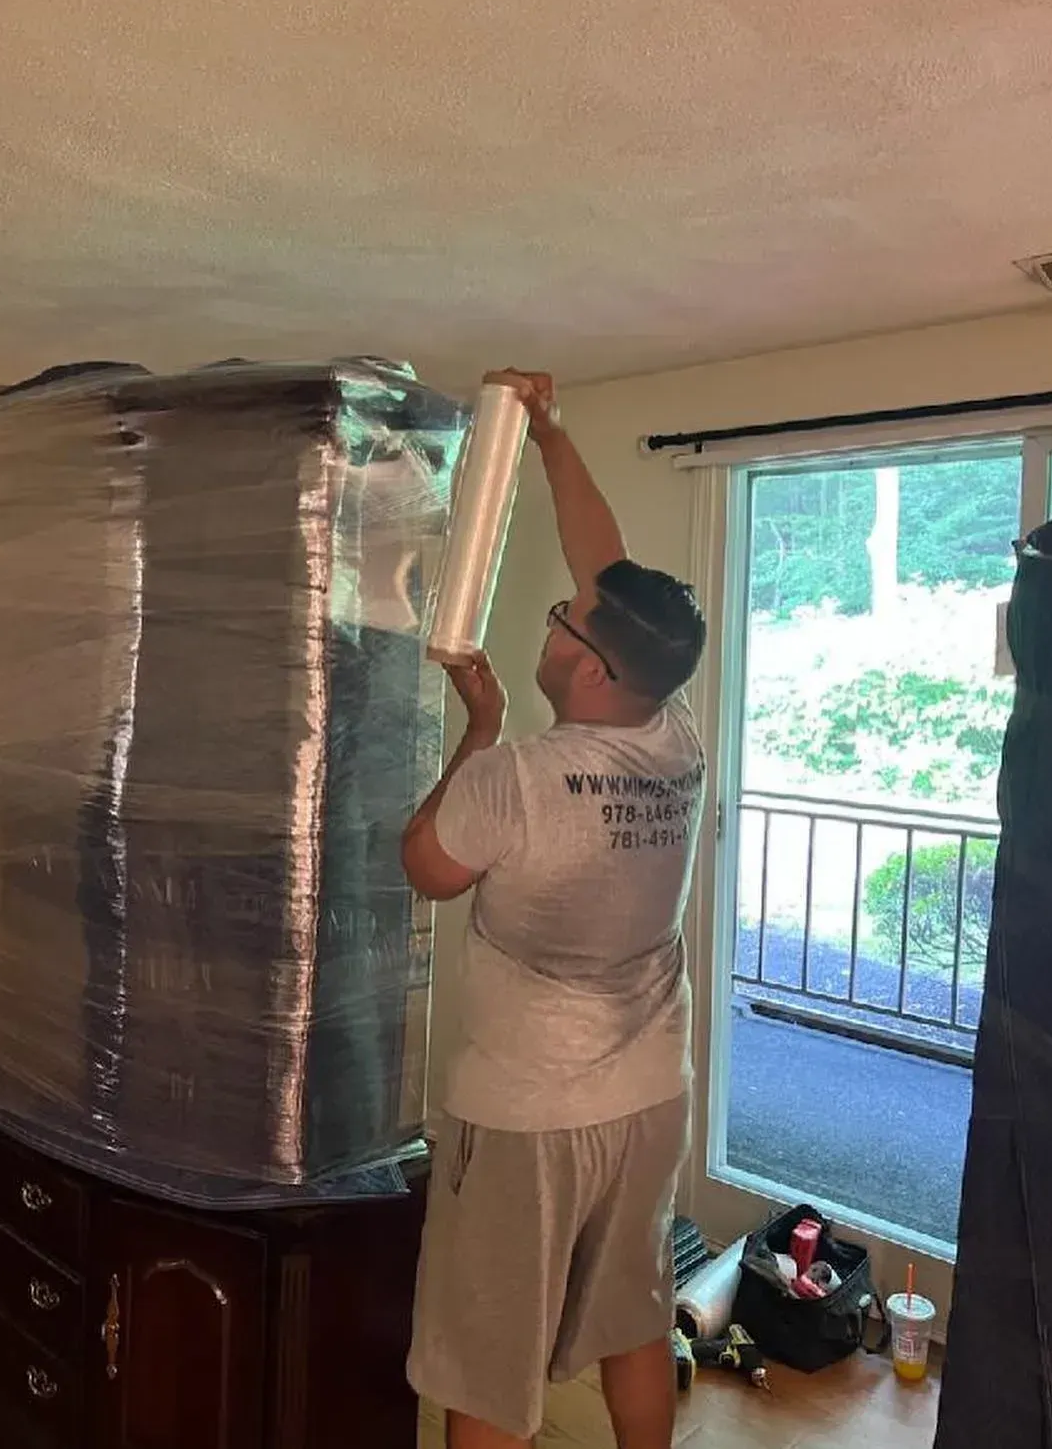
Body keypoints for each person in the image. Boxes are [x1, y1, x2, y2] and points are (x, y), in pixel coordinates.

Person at [401, 369, 707, 1449]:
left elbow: (427, 866)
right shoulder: (675, 735)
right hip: (648, 1096)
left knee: (488, 1362)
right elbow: (605, 568)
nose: (559, 612)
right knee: (631, 1322)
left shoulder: (516, 778)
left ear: (582, 665)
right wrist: (549, 437)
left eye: (564, 617)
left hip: (528, 1116)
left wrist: (476, 727)